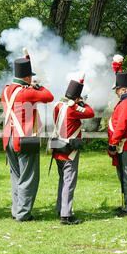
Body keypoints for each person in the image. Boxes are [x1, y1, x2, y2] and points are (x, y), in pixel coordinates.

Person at [2, 58, 54, 222]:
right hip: (24, 138)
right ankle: (23, 214)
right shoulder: (26, 91)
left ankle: (16, 210)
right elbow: (49, 96)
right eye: (30, 77)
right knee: (29, 177)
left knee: (16, 177)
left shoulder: (6, 90)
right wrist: (38, 86)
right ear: (27, 78)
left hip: (9, 137)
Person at [51, 79, 94, 225]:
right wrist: (82, 103)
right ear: (76, 98)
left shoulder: (58, 105)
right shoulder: (73, 108)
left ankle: (60, 208)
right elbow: (90, 112)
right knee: (69, 182)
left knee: (63, 180)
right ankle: (66, 215)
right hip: (69, 151)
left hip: (58, 147)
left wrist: (77, 102)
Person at [107, 72, 127, 217]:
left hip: (124, 143)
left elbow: (121, 125)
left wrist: (113, 143)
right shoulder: (125, 101)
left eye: (118, 89)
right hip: (122, 143)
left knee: (126, 177)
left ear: (124, 90)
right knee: (122, 176)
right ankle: (124, 205)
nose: (116, 92)